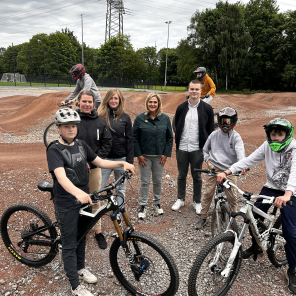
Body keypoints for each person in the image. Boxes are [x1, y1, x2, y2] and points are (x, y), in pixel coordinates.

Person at [46, 108, 134, 296]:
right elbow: (61, 177)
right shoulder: (54, 149)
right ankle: (75, 286)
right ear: (59, 128)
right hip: (67, 201)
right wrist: (77, 192)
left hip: (84, 198)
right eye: (67, 126)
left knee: (82, 236)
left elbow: (100, 162)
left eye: (74, 126)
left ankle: (80, 267)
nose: (71, 129)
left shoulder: (80, 144)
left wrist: (122, 163)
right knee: (69, 242)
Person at [217, 117, 296, 294]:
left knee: (290, 232)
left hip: (291, 191)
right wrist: (227, 172)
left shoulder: (294, 148)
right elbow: (249, 160)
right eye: (273, 134)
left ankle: (293, 269)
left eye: (280, 134)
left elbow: (294, 174)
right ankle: (256, 246)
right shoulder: (267, 146)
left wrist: (287, 194)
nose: (275, 138)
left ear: (287, 135)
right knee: (254, 215)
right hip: (271, 186)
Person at [195, 107, 247, 230]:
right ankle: (203, 217)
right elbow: (205, 150)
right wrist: (208, 162)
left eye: (228, 121)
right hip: (214, 168)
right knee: (208, 193)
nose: (225, 124)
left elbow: (241, 153)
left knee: (232, 196)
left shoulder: (236, 137)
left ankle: (232, 219)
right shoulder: (213, 135)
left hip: (230, 170)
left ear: (234, 121)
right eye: (222, 120)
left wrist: (243, 165)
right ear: (218, 120)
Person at [76, 90, 112, 250]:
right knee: (75, 200)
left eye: (90, 102)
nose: (87, 104)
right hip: (74, 169)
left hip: (94, 168)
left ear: (94, 104)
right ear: (78, 102)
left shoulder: (100, 122)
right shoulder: (72, 120)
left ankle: (98, 231)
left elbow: (106, 144)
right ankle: (76, 230)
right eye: (84, 101)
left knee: (95, 200)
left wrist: (92, 162)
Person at [171, 79, 214, 214]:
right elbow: (176, 125)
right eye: (192, 89)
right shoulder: (181, 108)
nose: (194, 91)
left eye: (197, 89)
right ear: (188, 90)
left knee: (197, 176)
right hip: (182, 147)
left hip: (198, 148)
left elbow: (210, 130)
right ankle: (180, 199)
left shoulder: (207, 109)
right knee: (181, 175)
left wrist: (207, 148)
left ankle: (197, 201)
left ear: (201, 91)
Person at [133, 93, 173, 219]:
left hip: (159, 157)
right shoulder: (139, 118)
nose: (152, 104)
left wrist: (166, 154)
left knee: (157, 181)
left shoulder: (165, 118)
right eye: (150, 102)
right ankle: (143, 205)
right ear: (147, 103)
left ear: (159, 104)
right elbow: (134, 138)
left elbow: (170, 138)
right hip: (144, 157)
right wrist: (138, 155)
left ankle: (156, 203)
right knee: (144, 182)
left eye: (155, 102)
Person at [97, 88, 134, 205]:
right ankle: (95, 214)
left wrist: (129, 162)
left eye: (116, 98)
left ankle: (118, 212)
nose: (113, 101)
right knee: (98, 188)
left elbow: (130, 140)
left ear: (120, 100)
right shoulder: (100, 116)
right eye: (111, 98)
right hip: (104, 160)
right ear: (107, 100)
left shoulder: (125, 117)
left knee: (121, 189)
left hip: (121, 159)